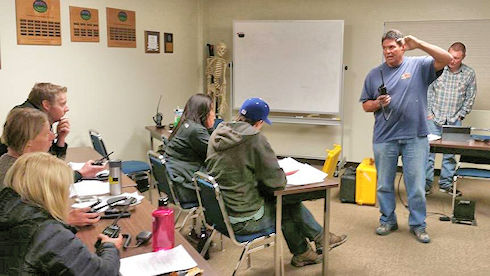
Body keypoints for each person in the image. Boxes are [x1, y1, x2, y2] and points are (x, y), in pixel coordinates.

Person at [206, 97, 347, 267]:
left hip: (222, 212)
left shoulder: (218, 132)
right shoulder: (253, 138)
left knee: (282, 202)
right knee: (285, 205)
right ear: (259, 122)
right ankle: (318, 240)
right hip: (244, 220)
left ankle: (307, 249)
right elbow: (277, 182)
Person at [360, 29, 452, 243]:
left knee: (417, 185)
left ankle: (418, 225)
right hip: (385, 137)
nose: (387, 52)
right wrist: (378, 103)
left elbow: (446, 59)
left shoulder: (419, 65)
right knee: (383, 184)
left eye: (392, 47)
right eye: (384, 48)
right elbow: (366, 105)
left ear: (402, 47)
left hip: (415, 137)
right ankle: (387, 220)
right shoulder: (374, 74)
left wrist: (418, 42)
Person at [0, 152, 122, 275]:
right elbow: (103, 273)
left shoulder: (7, 208)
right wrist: (110, 246)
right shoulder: (47, 233)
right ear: (54, 191)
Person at [0, 108, 101, 226]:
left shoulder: (13, 162)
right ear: (29, 141)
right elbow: (21, 227)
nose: (53, 137)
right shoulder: (17, 176)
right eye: (47, 133)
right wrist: (64, 220)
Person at [426, 42, 477, 197]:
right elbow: (428, 90)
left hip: (455, 119)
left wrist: (462, 114)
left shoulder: (469, 73)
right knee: (428, 154)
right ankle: (425, 185)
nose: (452, 60)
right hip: (434, 118)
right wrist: (428, 112)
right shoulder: (437, 68)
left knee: (450, 155)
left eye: (456, 58)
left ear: (463, 57)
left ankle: (446, 184)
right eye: (450, 56)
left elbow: (470, 96)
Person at [164, 94, 215, 204]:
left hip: (174, 182)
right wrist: (210, 128)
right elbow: (216, 153)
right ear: (203, 112)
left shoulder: (185, 124)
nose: (214, 115)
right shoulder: (196, 131)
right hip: (184, 188)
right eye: (211, 110)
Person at [0, 83, 70, 158]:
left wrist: (61, 138)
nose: (67, 109)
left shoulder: (38, 117)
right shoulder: (29, 119)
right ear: (46, 105)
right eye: (62, 104)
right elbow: (48, 164)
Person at [206, 42, 228, 116]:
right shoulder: (212, 60)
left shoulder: (223, 62)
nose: (222, 52)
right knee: (210, 99)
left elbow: (223, 75)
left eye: (224, 50)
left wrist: (223, 84)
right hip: (212, 84)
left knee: (220, 98)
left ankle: (219, 115)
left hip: (219, 83)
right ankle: (209, 114)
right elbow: (208, 72)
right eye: (221, 49)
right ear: (217, 49)